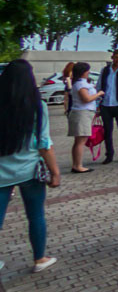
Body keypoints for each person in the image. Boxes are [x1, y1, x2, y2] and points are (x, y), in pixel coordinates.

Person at [0, 60, 62, 273]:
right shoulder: (38, 106)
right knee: (35, 216)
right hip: (30, 171)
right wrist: (55, 172)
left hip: (1, 174)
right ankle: (39, 259)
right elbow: (44, 145)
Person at [67, 62, 103, 173]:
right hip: (82, 113)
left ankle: (76, 164)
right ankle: (78, 165)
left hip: (82, 112)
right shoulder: (80, 84)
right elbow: (86, 99)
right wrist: (99, 94)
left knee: (79, 140)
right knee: (81, 140)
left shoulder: (79, 83)